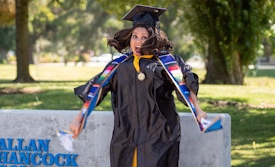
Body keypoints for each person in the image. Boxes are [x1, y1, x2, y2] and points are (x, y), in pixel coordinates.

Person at [69, 4, 207, 167]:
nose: (138, 42)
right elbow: (96, 91)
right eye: (135, 36)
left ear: (153, 38)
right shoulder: (119, 66)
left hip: (159, 137)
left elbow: (186, 84)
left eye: (144, 37)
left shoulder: (167, 63)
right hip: (126, 136)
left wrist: (198, 110)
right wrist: (79, 119)